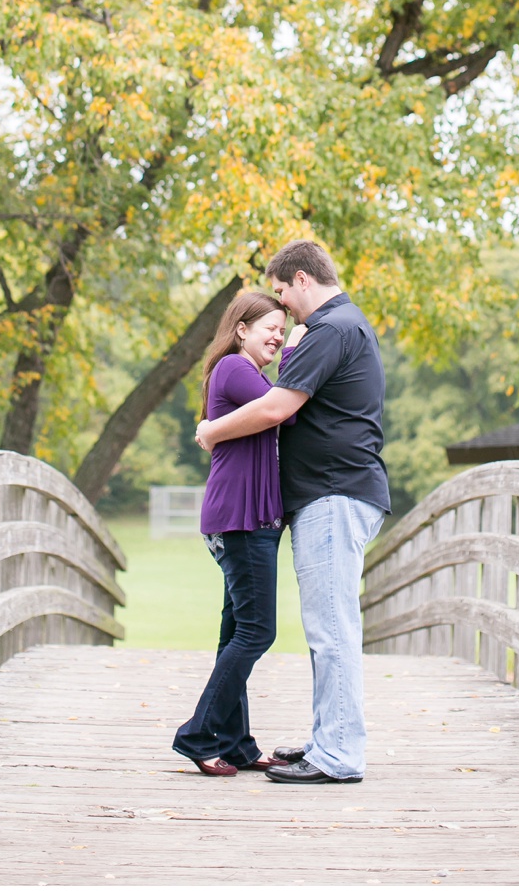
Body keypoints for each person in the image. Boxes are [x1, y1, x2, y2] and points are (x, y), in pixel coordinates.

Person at [196, 239, 390, 785]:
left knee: (331, 630)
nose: (283, 308)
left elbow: (278, 406)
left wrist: (210, 430)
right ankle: (330, 739)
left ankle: (338, 755)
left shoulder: (333, 328)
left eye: (281, 291)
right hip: (332, 494)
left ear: (302, 279)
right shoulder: (341, 327)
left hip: (333, 494)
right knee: (326, 628)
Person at [172, 289, 294, 776]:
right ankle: (198, 735)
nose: (280, 337)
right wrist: (304, 350)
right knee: (258, 630)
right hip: (241, 519)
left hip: (246, 518)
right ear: (241, 328)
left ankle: (238, 743)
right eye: (272, 328)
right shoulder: (234, 369)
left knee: (236, 634)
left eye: (284, 330)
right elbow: (285, 408)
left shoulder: (248, 373)